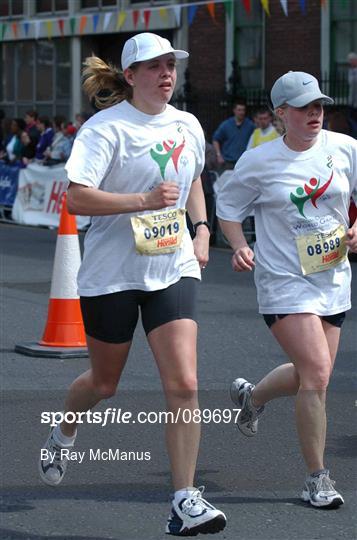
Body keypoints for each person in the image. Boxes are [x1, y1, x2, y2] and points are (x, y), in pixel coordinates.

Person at [38, 32, 226, 537]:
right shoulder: (105, 130)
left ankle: (185, 500)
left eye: (170, 65)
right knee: (104, 383)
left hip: (173, 265)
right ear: (130, 76)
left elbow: (192, 182)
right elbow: (77, 199)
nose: (166, 74)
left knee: (184, 384)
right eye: (154, 67)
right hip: (112, 275)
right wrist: (142, 202)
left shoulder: (187, 123)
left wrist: (202, 228)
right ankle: (63, 430)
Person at [216, 71, 357, 509]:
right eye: (303, 107)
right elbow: (228, 207)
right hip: (283, 279)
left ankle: (252, 397)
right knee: (316, 374)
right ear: (281, 113)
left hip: (332, 276)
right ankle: (317, 478)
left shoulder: (346, 149)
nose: (315, 113)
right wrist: (238, 246)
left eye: (318, 105)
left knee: (313, 375)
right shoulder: (259, 161)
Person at [212, 99, 254, 171]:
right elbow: (215, 139)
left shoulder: (250, 125)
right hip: (228, 162)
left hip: (244, 162)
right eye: (239, 110)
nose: (241, 112)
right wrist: (219, 155)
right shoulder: (226, 125)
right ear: (234, 110)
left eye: (243, 110)